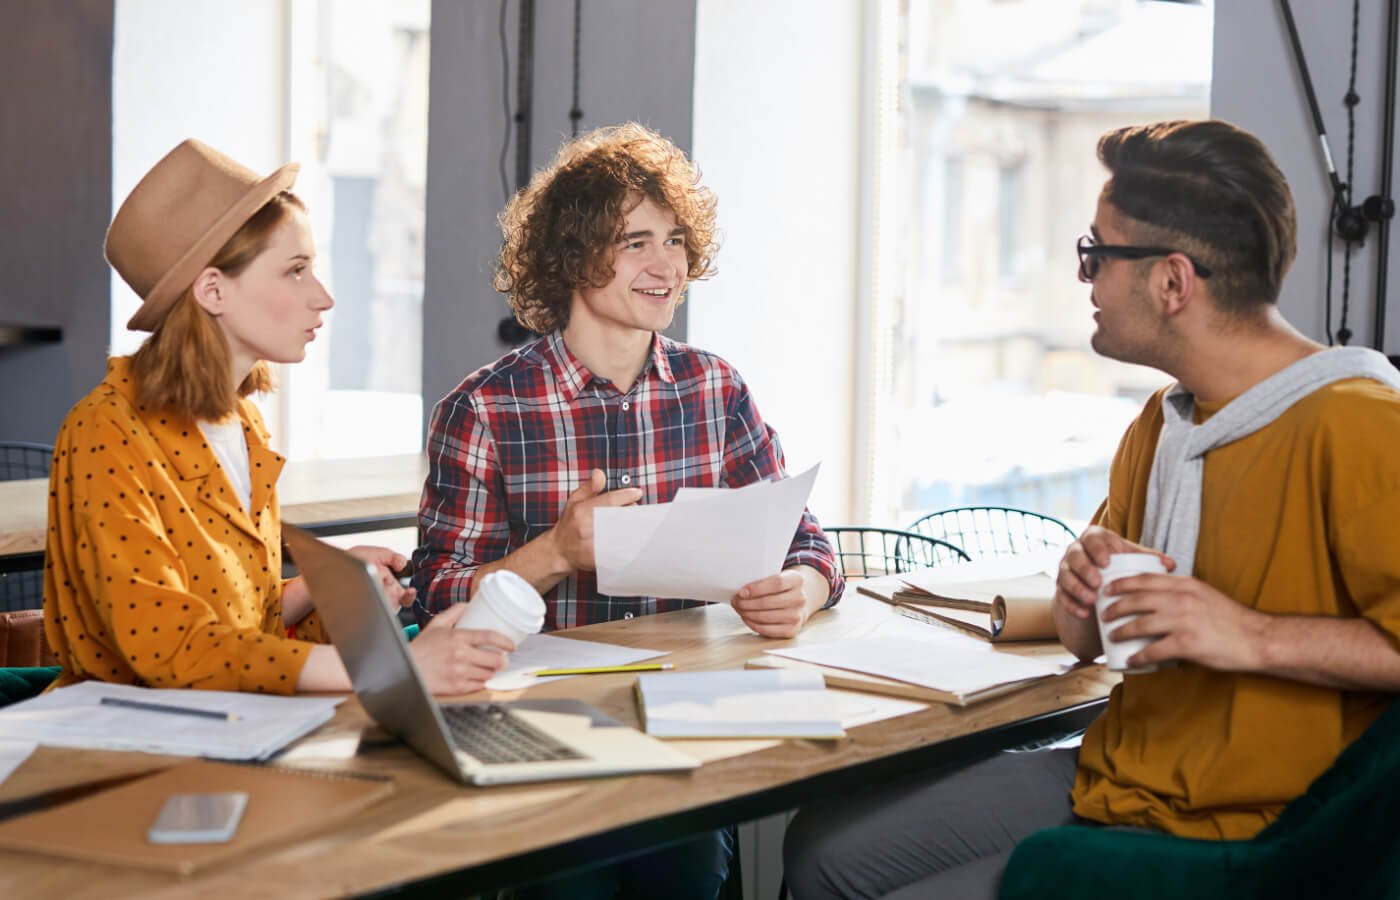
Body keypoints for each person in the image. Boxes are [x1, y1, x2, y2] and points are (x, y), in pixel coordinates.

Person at [782, 119, 1400, 899]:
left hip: (1255, 832)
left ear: (1172, 282)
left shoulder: (1361, 424)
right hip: (1118, 777)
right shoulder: (1163, 422)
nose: (1087, 280)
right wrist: (1081, 602)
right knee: (822, 852)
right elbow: (1091, 639)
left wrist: (1250, 634)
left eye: (1096, 254)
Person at [411, 123, 845, 898]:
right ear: (574, 256)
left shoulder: (715, 389)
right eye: (635, 242)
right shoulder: (483, 409)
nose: (666, 265)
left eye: (674, 241)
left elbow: (806, 544)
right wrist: (556, 552)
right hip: (544, 736)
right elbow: (435, 596)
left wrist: (802, 590)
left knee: (689, 874)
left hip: (689, 723)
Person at [43, 139, 513, 697]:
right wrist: (394, 669)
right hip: (122, 735)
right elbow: (168, 645)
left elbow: (245, 627)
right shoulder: (104, 430)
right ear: (213, 290)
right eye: (295, 271)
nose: (323, 297)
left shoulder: (242, 422)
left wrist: (324, 591)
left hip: (233, 722)